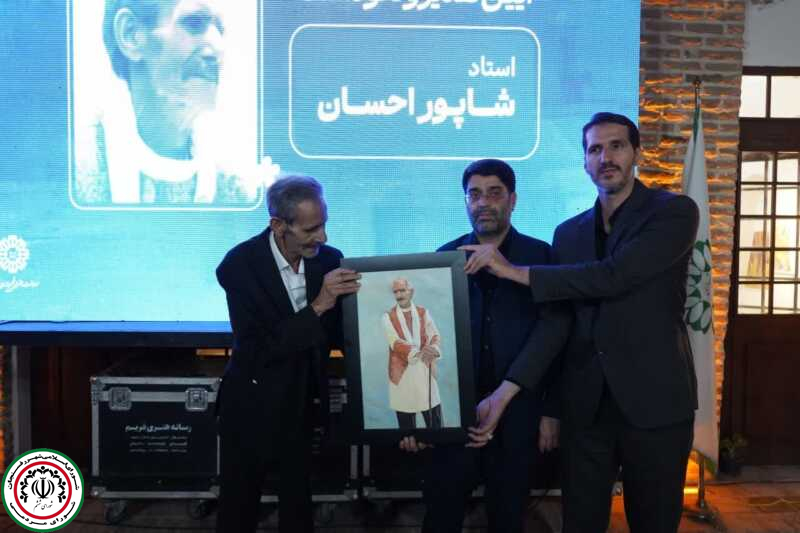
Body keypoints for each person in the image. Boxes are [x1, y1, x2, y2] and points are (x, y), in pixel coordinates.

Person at [463, 114, 699, 533]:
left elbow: (615, 275)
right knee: (580, 524)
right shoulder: (568, 233)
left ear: (636, 153)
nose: (605, 157)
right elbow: (559, 324)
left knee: (654, 523)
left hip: (656, 402)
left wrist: (514, 271)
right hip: (585, 409)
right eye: (595, 149)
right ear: (585, 162)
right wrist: (517, 397)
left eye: (616, 146)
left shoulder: (674, 213)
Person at [402, 159, 568, 533]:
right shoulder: (443, 258)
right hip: (454, 415)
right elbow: (423, 342)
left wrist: (552, 411)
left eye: (494, 193)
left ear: (513, 200)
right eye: (474, 194)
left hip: (520, 411)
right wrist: (415, 417)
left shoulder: (541, 257)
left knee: (508, 515)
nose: (483, 203)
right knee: (441, 514)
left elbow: (557, 337)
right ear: (465, 201)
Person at [215, 175, 360, 532]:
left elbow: (341, 334)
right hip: (251, 406)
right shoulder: (239, 266)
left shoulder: (329, 260)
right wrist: (320, 304)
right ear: (278, 225)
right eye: (311, 229)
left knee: (298, 506)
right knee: (238, 508)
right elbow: (259, 348)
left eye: (323, 224)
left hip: (303, 404)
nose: (323, 237)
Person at [74, 0, 271, 206]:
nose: (218, 48)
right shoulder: (75, 166)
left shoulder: (242, 185)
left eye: (220, 30)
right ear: (130, 34)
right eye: (194, 23)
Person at [383, 277, 443, 429]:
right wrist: (417, 353)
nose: (399, 295)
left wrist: (433, 349)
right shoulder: (387, 316)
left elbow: (434, 335)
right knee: (407, 430)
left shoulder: (423, 312)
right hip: (402, 376)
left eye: (402, 290)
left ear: (411, 292)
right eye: (395, 292)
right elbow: (394, 342)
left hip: (425, 372)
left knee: (436, 426)